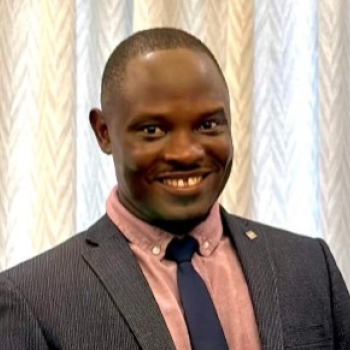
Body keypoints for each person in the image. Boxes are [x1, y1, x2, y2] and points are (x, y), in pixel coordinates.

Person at [0, 27, 349, 350]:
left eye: (208, 124)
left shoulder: (309, 267)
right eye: (152, 130)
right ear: (104, 132)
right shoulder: (34, 298)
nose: (185, 153)